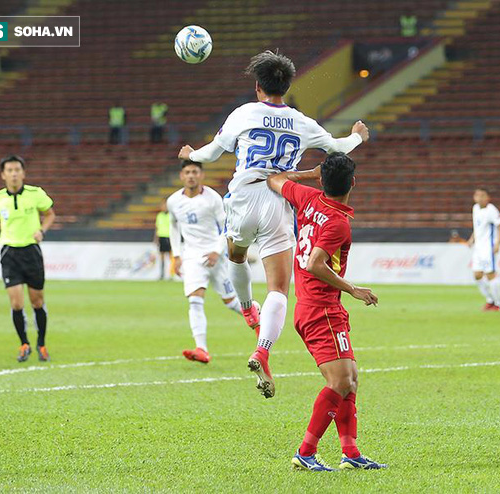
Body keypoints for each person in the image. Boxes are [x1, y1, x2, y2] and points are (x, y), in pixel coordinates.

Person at [178, 50, 369, 398]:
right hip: (280, 201)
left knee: (236, 256)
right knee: (279, 289)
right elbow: (339, 148)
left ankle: (248, 310)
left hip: (244, 197)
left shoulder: (245, 113)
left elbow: (211, 152)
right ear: (287, 84)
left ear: (257, 86)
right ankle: (263, 349)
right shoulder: (302, 121)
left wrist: (190, 154)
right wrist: (357, 135)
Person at [267, 153, 386, 471]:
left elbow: (275, 180)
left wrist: (308, 174)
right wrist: (354, 290)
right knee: (340, 382)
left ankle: (351, 453)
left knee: (351, 379)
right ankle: (305, 452)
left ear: (322, 181)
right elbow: (314, 263)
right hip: (321, 309)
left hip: (318, 306)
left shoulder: (308, 197)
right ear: (353, 183)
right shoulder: (337, 223)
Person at [167, 161, 248, 363]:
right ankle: (201, 349)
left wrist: (217, 251)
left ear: (201, 175)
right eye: (187, 172)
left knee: (231, 302)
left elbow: (225, 226)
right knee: (195, 299)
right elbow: (173, 227)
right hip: (192, 256)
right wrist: (177, 255)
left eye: (195, 172)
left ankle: (263, 320)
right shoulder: (173, 201)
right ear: (181, 176)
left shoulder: (212, 198)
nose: (191, 176)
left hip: (215, 256)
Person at [0, 155, 56, 362]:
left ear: (23, 173)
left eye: (17, 170)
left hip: (31, 252)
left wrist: (42, 231)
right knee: (16, 303)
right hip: (9, 253)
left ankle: (41, 344)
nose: (14, 173)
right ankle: (24, 343)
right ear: (3, 175)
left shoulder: (36, 194)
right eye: (10, 170)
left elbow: (50, 213)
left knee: (37, 301)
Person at [467, 187, 500, 311]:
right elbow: (478, 227)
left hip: (487, 248)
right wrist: (472, 238)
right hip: (478, 248)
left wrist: (497, 243)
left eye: (483, 195)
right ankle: (490, 300)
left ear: (488, 197)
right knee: (477, 275)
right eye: (477, 195)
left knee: (490, 274)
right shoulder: (475, 208)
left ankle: (499, 304)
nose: (480, 198)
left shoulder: (491, 210)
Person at [154, 199, 172, 280]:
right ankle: (162, 274)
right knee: (162, 257)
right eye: (162, 206)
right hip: (161, 237)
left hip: (169, 237)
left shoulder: (171, 215)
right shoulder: (159, 215)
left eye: (165, 206)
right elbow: (157, 227)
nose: (163, 207)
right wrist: (156, 238)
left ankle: (171, 275)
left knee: (170, 257)